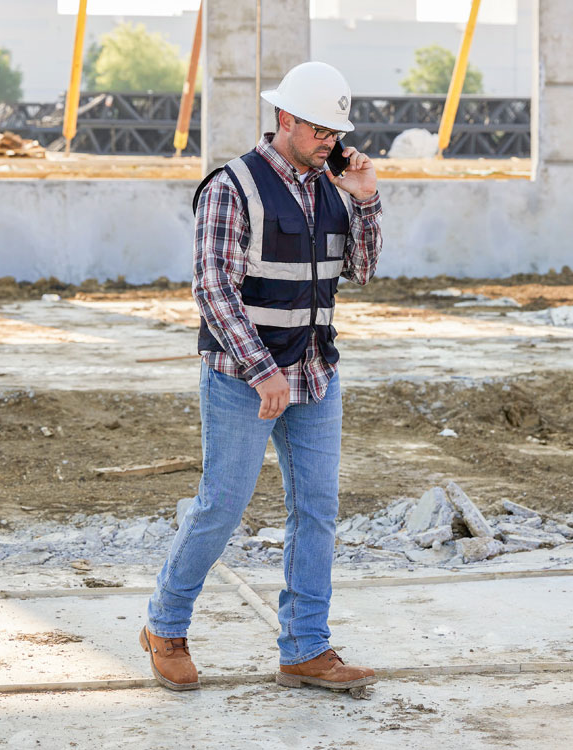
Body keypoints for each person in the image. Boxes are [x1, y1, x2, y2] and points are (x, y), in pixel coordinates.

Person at [140, 61, 383, 692]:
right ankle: (164, 626)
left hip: (315, 373)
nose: (331, 138)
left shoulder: (332, 186)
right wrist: (261, 369)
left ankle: (305, 647)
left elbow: (360, 270)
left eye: (336, 128)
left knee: (317, 510)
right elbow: (213, 289)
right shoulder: (232, 185)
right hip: (241, 378)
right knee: (222, 506)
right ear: (285, 119)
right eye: (320, 127)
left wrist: (366, 199)